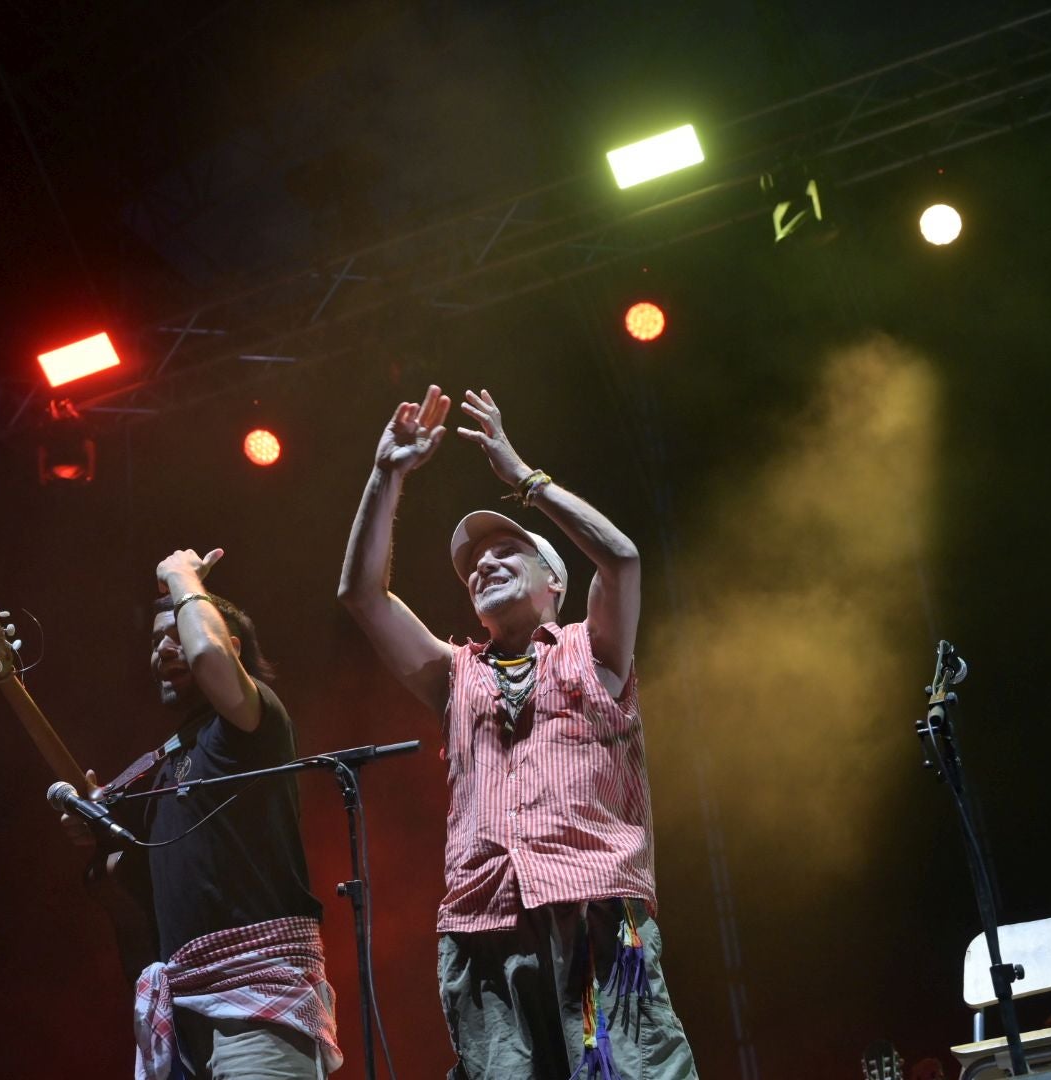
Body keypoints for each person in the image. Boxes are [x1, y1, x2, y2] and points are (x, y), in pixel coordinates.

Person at [338, 386, 697, 1079]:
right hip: (486, 924)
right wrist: (387, 474)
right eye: (474, 565)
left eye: (507, 551)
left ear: (554, 581)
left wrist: (524, 479)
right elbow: (362, 597)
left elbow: (620, 558)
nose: (483, 564)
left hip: (593, 912)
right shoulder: (455, 674)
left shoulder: (595, 653)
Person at [63, 548, 342, 1080]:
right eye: (153, 643)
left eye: (177, 635)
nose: (164, 651)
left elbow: (211, 657)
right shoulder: (167, 761)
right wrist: (99, 842)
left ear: (229, 648)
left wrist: (180, 574)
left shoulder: (251, 724)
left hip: (255, 1003)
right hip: (185, 1012)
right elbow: (132, 889)